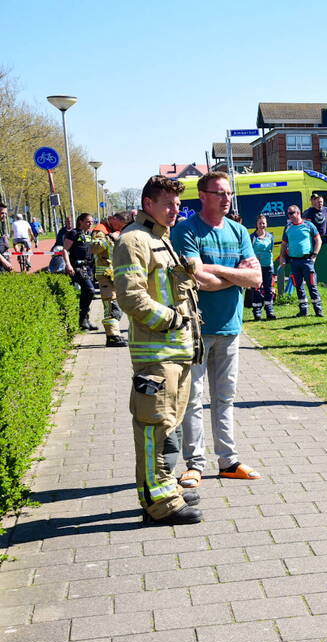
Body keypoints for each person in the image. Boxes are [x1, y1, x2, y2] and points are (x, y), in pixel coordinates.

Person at [112, 175, 203, 525]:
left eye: (178, 204)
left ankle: (166, 488)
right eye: (168, 204)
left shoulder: (161, 238)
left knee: (170, 429)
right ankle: (159, 504)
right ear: (147, 204)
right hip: (156, 356)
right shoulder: (133, 240)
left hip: (178, 353)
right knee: (154, 429)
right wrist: (174, 320)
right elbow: (131, 297)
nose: (175, 210)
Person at [171, 171, 263, 488]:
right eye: (219, 193)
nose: (226, 198)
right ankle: (195, 464)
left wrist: (217, 271)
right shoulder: (186, 230)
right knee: (193, 399)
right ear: (203, 196)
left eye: (228, 193)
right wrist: (235, 275)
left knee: (225, 398)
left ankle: (228, 461)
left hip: (231, 327)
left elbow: (256, 278)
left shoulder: (238, 231)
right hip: (196, 328)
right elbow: (197, 279)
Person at [92, 212, 129, 346]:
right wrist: (109, 238)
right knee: (111, 305)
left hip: (114, 274)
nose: (120, 228)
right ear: (113, 219)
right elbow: (95, 248)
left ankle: (115, 334)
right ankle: (112, 336)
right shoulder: (100, 230)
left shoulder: (112, 230)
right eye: (120, 225)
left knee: (117, 305)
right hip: (105, 275)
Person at [279, 204, 323, 317]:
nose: (289, 216)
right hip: (294, 261)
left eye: (291, 213)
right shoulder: (288, 227)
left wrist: (314, 255)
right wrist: (282, 257)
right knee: (298, 286)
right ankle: (303, 311)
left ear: (298, 213)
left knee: (312, 285)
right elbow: (283, 244)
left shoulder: (308, 225)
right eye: (288, 214)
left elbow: (318, 240)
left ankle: (318, 310)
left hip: (307, 261)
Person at [63, 213, 101, 331]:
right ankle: (82, 319)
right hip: (78, 267)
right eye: (88, 221)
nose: (90, 224)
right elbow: (65, 250)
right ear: (80, 221)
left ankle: (85, 320)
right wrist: (68, 265)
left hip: (89, 267)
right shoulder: (73, 233)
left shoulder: (89, 234)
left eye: (92, 222)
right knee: (90, 290)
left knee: (88, 292)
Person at [249, 214, 276, 321]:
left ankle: (270, 311)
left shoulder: (270, 236)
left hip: (268, 266)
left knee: (269, 289)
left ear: (266, 224)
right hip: (256, 268)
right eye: (260, 223)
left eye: (263, 223)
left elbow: (270, 250)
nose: (262, 225)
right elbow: (249, 252)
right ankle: (257, 312)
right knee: (256, 288)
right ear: (256, 224)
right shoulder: (252, 237)